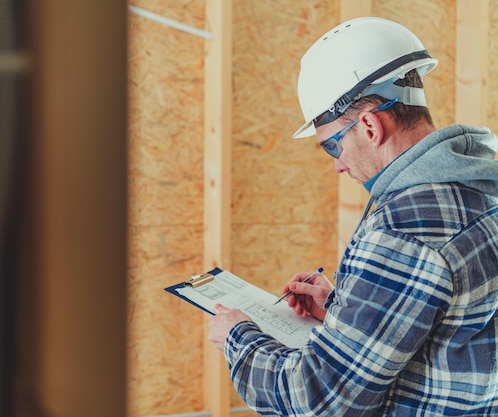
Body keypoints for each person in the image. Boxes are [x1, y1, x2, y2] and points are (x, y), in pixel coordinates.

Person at [207, 16, 498, 416]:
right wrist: (344, 308)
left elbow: (319, 401)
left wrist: (237, 336)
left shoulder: (405, 229)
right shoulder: (481, 190)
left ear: (369, 126)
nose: (338, 167)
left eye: (332, 148)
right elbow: (456, 333)